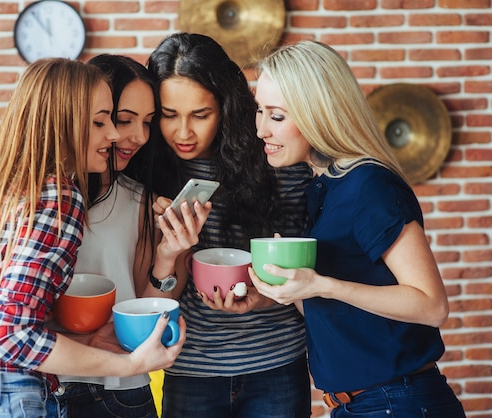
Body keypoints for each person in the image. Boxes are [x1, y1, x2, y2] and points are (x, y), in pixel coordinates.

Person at [0, 57, 187, 418]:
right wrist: (129, 365)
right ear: (60, 123)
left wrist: (88, 342)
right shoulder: (55, 196)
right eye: (100, 122)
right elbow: (11, 337)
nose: (113, 135)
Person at [250, 40, 466, 417]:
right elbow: (345, 312)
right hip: (359, 405)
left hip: (397, 403)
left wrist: (323, 284)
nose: (261, 129)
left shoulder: (369, 185)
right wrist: (286, 292)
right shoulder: (322, 188)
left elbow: (432, 306)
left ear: (319, 114)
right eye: (260, 111)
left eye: (277, 116)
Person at [147, 32, 312, 418]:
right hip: (191, 368)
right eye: (169, 115)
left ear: (227, 107)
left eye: (200, 115)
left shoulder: (278, 163)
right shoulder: (149, 176)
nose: (183, 132)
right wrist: (171, 250)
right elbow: (151, 298)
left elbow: (312, 269)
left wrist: (266, 295)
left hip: (276, 362)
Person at [46, 54, 210, 418]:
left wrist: (169, 255)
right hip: (38, 384)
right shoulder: (38, 197)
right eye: (121, 119)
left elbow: (142, 306)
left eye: (148, 122)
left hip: (115, 390)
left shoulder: (140, 199)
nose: (136, 136)